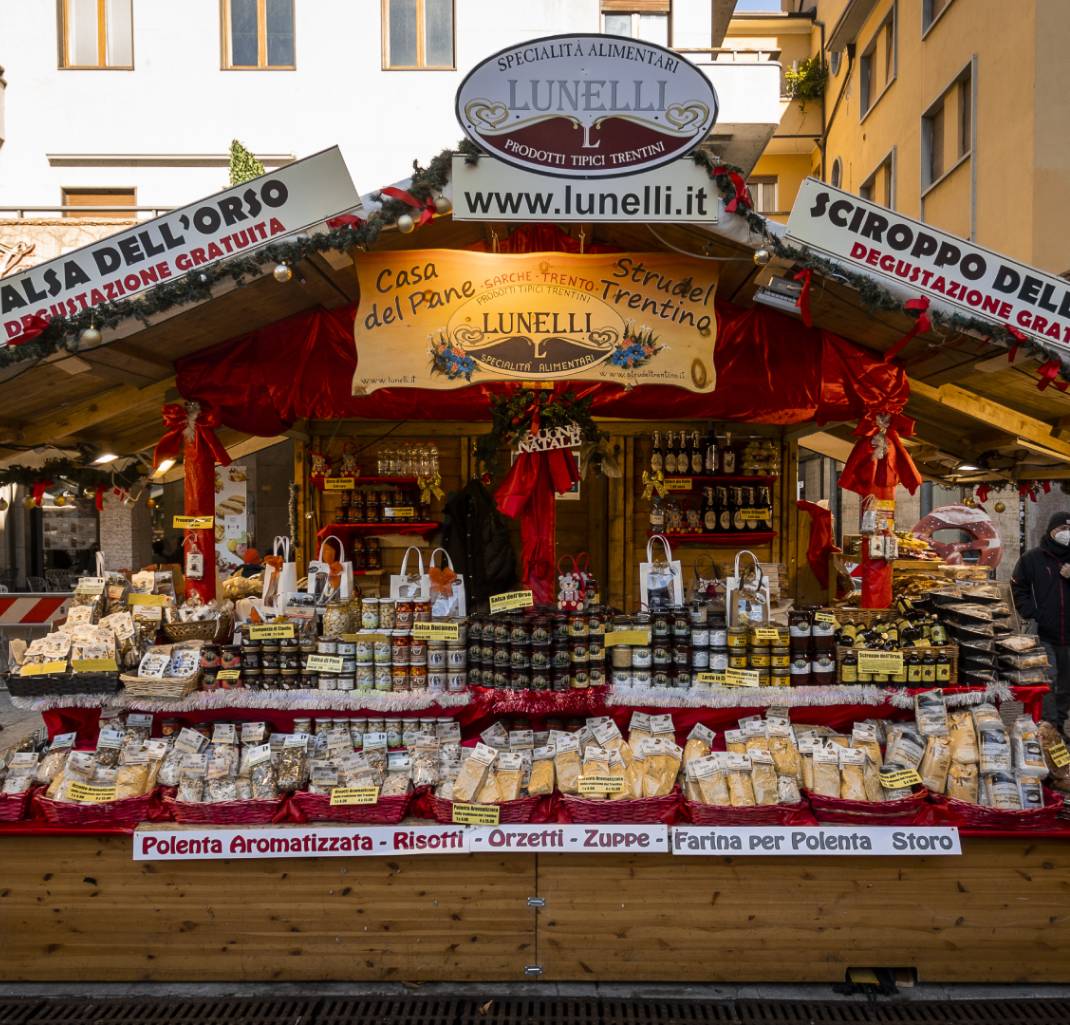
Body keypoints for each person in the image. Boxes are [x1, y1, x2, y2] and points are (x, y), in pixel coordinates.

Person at [1011, 512, 1070, 732]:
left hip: (1069, 637)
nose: (1066, 534)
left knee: (1066, 687)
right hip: (1043, 633)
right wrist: (1031, 613)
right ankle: (1049, 728)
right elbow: (1018, 588)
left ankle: (1060, 726)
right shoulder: (1032, 558)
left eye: (1069, 530)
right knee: (1048, 683)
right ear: (1050, 531)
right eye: (1061, 530)